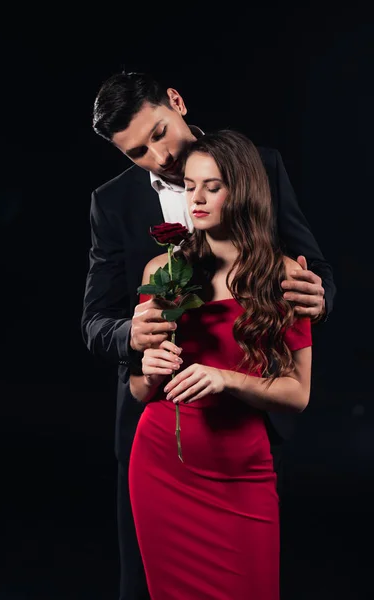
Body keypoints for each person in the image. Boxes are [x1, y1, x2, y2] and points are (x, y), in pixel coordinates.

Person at [81, 72, 336, 600]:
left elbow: (313, 268)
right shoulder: (111, 203)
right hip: (155, 420)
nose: (157, 157)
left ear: (175, 101)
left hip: (248, 419)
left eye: (158, 133)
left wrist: (320, 297)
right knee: (145, 586)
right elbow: (96, 319)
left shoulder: (259, 166)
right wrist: (134, 332)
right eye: (136, 153)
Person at [128, 129, 312, 599]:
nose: (198, 199)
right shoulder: (162, 271)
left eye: (214, 186)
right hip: (161, 466)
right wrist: (149, 366)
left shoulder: (286, 275)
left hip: (241, 475)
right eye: (190, 186)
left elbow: (297, 394)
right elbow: (138, 391)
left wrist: (225, 378)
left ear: (243, 188)